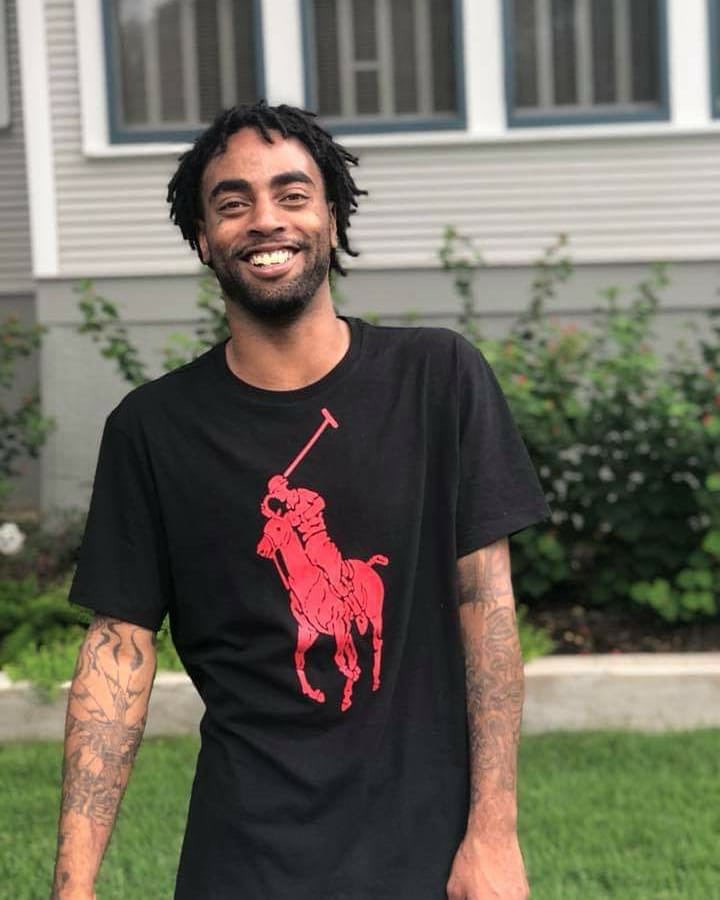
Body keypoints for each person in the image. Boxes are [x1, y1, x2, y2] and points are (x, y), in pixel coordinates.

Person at [51, 102, 549, 900]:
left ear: (331, 216)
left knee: (339, 578)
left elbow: (484, 608)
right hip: (245, 856)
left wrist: (493, 830)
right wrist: (73, 888)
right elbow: (119, 649)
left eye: (292, 194)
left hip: (424, 848)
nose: (265, 219)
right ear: (204, 237)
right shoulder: (153, 429)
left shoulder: (437, 379)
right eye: (233, 202)